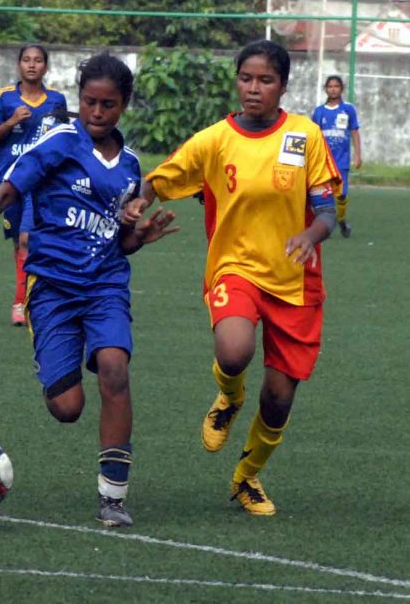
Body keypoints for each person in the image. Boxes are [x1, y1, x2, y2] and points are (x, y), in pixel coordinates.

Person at [0, 52, 178, 527]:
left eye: (108, 104)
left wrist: (138, 237)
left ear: (123, 105)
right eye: (89, 101)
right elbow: (8, 190)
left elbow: (120, 239)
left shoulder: (131, 166)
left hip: (105, 283)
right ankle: (52, 366)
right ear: (80, 98)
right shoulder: (60, 141)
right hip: (52, 286)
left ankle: (113, 497)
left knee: (115, 368)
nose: (96, 112)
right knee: (67, 408)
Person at [125, 40, 341, 517]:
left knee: (280, 399)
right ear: (237, 81)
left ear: (283, 86)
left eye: (265, 80)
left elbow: (327, 210)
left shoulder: (305, 137)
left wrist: (311, 232)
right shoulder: (215, 139)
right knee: (234, 350)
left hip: (296, 283)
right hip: (235, 268)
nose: (254, 89)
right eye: (246, 78)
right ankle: (229, 394)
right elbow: (161, 178)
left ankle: (247, 477)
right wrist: (139, 200)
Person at [0, 45, 68, 326]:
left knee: (30, 240)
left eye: (38, 60)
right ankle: (27, 299)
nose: (32, 65)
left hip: (45, 182)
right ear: (19, 65)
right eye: (27, 60)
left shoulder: (56, 100)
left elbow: (65, 140)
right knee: (20, 243)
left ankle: (23, 304)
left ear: (45, 66)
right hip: (13, 182)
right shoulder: (6, 98)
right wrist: (11, 122)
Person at [311, 75, 361, 237]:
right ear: (326, 89)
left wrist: (358, 155)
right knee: (324, 195)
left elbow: (354, 131)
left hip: (341, 160)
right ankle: (326, 224)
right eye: (330, 86)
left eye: (336, 86)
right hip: (323, 161)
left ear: (341, 89)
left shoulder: (348, 109)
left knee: (341, 195)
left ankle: (341, 220)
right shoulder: (319, 112)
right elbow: (314, 136)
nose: (333, 89)